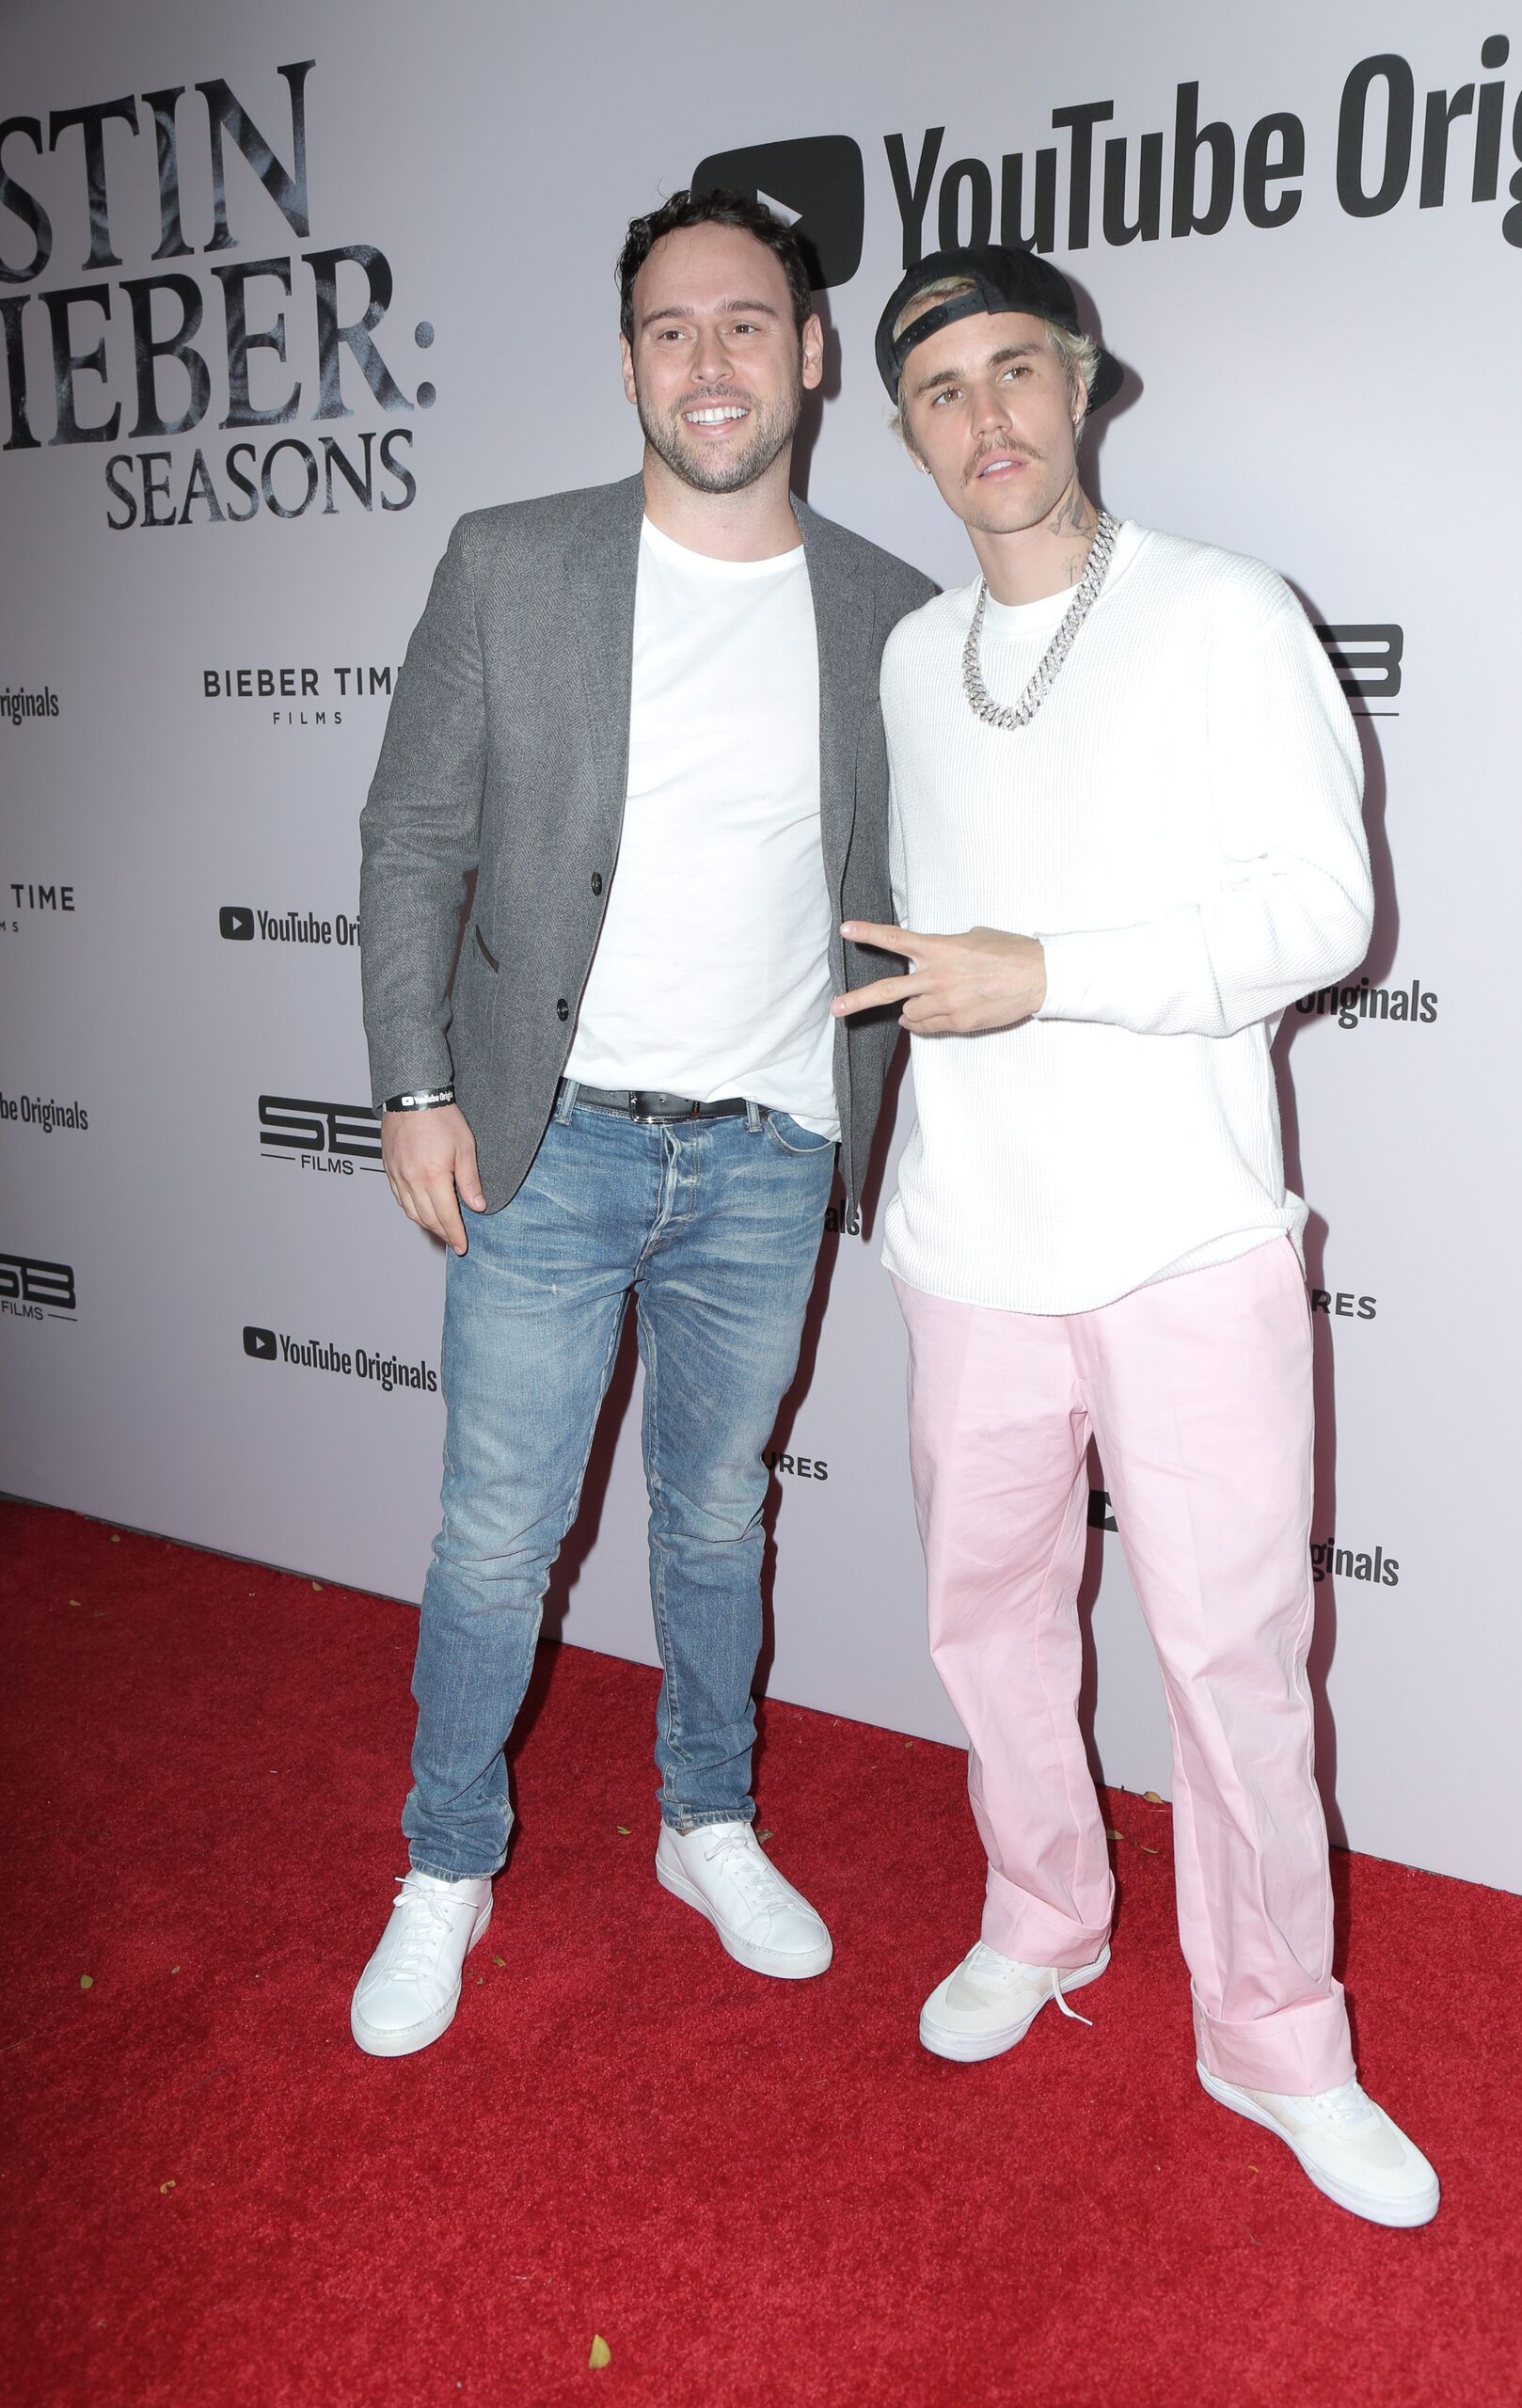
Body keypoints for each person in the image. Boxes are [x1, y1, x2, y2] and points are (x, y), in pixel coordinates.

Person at [834, 244, 1437, 2228]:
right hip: (964, 1244)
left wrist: (1049, 972)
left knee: (1234, 1660)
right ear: (907, 430)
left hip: (1185, 1238)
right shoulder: (911, 658)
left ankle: (1276, 2030)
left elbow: (1320, 915)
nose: (985, 416)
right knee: (986, 1627)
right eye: (941, 390)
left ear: (1085, 385)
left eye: (1017, 369)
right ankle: (1039, 1910)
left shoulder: (1221, 613)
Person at [350, 190, 932, 2057]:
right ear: (626, 366)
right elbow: (411, 838)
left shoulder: (888, 614)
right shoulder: (509, 563)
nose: (710, 361)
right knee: (494, 1536)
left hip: (768, 1154)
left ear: (809, 352)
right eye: (670, 330)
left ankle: (707, 1819)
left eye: (746, 322)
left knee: (716, 1515)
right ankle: (446, 1860)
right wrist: (414, 1086)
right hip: (550, 1142)